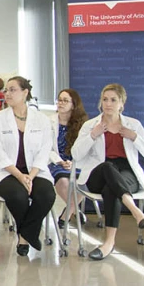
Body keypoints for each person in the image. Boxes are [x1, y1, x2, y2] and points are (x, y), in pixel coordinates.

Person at [71, 83, 144, 260]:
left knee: (112, 190)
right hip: (98, 173)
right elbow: (76, 154)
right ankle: (133, 209)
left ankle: (108, 243)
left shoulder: (133, 125)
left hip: (126, 173)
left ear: (121, 104)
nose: (108, 104)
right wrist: (93, 135)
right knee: (108, 167)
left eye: (113, 100)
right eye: (105, 99)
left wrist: (134, 137)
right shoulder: (90, 125)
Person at [0, 76, 56, 256]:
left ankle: (25, 235)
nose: (7, 93)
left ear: (25, 93)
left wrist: (30, 176)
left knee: (46, 194)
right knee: (18, 194)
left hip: (34, 171)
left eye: (12, 89)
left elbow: (45, 149)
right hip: (5, 172)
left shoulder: (41, 120)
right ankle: (29, 235)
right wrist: (19, 175)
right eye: (6, 90)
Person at [50, 88, 88, 231]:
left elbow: (86, 149)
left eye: (65, 100)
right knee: (63, 180)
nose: (61, 103)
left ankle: (68, 212)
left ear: (74, 104)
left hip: (77, 162)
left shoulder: (84, 124)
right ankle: (75, 210)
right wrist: (59, 161)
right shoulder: (49, 122)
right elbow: (46, 148)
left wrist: (74, 162)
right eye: (59, 100)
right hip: (56, 162)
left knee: (84, 180)